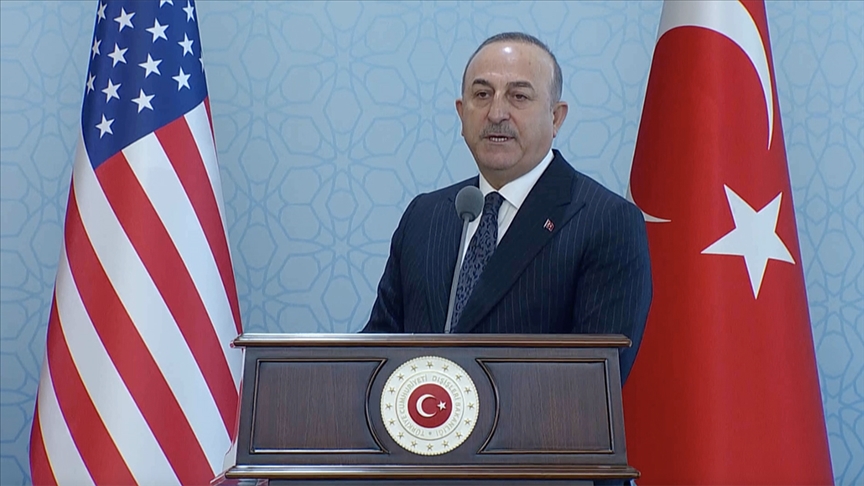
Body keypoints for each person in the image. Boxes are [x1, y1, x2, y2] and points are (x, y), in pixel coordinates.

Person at [362, 32, 651, 383]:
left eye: (519, 96)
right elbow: (375, 356)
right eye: (482, 95)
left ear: (556, 117)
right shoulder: (424, 217)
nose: (497, 113)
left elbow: (594, 381)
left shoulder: (606, 222)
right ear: (461, 113)